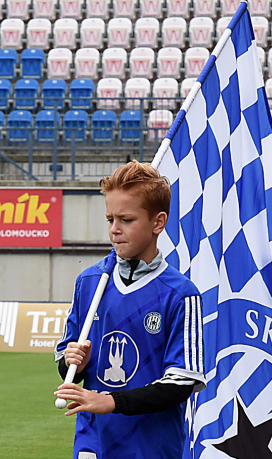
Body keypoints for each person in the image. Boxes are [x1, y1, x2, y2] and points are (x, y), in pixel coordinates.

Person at [54, 161, 205, 459]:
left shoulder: (181, 294)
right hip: (92, 443)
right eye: (110, 219)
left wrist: (110, 401)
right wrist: (74, 362)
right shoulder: (89, 282)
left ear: (158, 223)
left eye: (126, 219)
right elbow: (66, 367)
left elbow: (181, 383)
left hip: (151, 448)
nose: (114, 230)